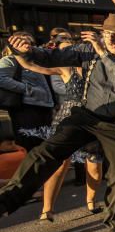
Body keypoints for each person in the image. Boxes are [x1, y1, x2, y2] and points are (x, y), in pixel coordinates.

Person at [0, 0, 115, 232]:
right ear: (102, 35)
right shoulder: (87, 50)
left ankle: (114, 221)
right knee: (47, 151)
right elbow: (50, 57)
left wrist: (103, 53)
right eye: (109, 35)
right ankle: (8, 201)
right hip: (87, 116)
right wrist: (23, 51)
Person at [10, 35, 103, 220]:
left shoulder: (97, 67)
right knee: (59, 165)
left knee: (93, 166)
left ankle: (91, 202)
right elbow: (31, 66)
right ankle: (47, 209)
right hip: (68, 118)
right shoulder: (65, 68)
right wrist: (19, 53)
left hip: (94, 119)